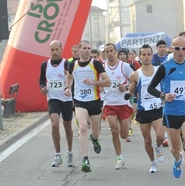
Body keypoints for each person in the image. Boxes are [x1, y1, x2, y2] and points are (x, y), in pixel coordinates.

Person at [147, 36, 185, 186]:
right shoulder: (165, 67)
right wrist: (163, 94)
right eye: (177, 49)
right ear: (172, 49)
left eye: (184, 49)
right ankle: (177, 160)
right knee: (175, 149)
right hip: (171, 113)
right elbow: (151, 88)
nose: (181, 52)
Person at [65, 40, 111, 173]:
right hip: (79, 101)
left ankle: (95, 139)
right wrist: (67, 88)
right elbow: (69, 77)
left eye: (89, 48)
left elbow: (107, 82)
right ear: (79, 50)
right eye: (84, 48)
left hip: (95, 101)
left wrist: (94, 82)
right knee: (83, 128)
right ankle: (85, 159)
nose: (87, 51)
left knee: (96, 132)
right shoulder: (72, 65)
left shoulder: (95, 63)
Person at [127, 44, 165, 173]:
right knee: (147, 140)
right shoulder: (135, 75)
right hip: (143, 110)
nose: (147, 57)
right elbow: (131, 90)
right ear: (140, 56)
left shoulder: (158, 70)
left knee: (160, 136)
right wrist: (128, 94)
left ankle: (159, 147)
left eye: (149, 54)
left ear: (152, 55)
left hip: (157, 108)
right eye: (144, 54)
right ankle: (153, 162)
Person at [39, 40, 74, 167]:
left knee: (68, 127)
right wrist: (43, 88)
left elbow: (74, 78)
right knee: (54, 124)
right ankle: (57, 155)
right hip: (52, 98)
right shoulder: (44, 64)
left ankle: (70, 152)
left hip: (66, 99)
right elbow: (42, 80)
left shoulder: (67, 63)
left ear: (61, 50)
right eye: (52, 50)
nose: (54, 52)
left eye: (56, 49)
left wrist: (69, 76)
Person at [102, 43, 134, 170]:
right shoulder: (102, 68)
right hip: (109, 103)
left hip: (123, 103)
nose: (109, 53)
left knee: (124, 134)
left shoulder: (124, 66)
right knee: (114, 130)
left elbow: (135, 79)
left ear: (115, 52)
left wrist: (126, 87)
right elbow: (98, 83)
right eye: (106, 51)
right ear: (104, 53)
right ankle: (119, 158)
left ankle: (124, 133)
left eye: (111, 51)